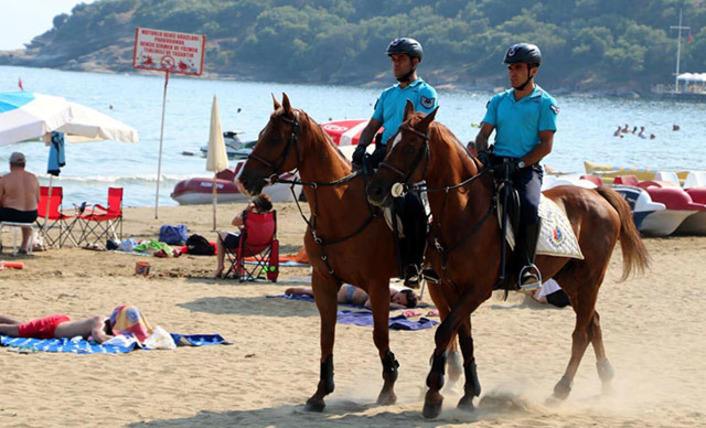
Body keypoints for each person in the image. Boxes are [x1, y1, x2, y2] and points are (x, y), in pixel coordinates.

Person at [469, 43, 558, 290]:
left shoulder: (545, 103)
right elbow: (482, 135)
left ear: (533, 71)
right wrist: (484, 154)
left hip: (526, 168)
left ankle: (525, 266)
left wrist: (519, 164)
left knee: (529, 208)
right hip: (496, 164)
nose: (512, 73)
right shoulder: (498, 101)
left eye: (518, 68)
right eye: (510, 68)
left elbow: (546, 145)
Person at [352, 37, 438, 287]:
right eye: (393, 59)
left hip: (405, 158)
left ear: (414, 61)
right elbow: (372, 126)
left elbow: (419, 126)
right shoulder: (387, 94)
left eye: (400, 59)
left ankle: (413, 264)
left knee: (411, 206)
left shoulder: (425, 92)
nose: (395, 64)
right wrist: (360, 148)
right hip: (381, 152)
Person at [213, 193, 273, 278]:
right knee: (241, 236)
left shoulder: (250, 217)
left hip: (246, 247)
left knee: (221, 234)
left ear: (255, 205)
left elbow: (234, 222)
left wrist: (246, 209)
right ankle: (237, 270)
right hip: (262, 248)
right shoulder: (270, 217)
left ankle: (220, 267)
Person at [0, 152, 40, 254]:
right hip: (31, 215)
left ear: (10, 164)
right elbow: (38, 199)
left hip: (12, 214)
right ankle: (24, 246)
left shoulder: (5, 179)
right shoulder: (33, 178)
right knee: (26, 215)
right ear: (24, 164)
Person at [284, 284, 419, 309]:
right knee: (316, 293)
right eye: (398, 299)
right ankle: (299, 290)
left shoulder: (392, 295)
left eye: (400, 303)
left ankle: (302, 290)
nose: (396, 301)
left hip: (349, 292)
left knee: (319, 294)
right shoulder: (388, 292)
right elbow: (369, 305)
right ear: (400, 293)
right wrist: (394, 306)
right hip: (347, 293)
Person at [0, 313, 114, 343]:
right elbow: (99, 337)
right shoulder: (99, 321)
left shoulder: (105, 321)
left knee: (21, 326)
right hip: (51, 327)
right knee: (10, 330)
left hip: (57, 325)